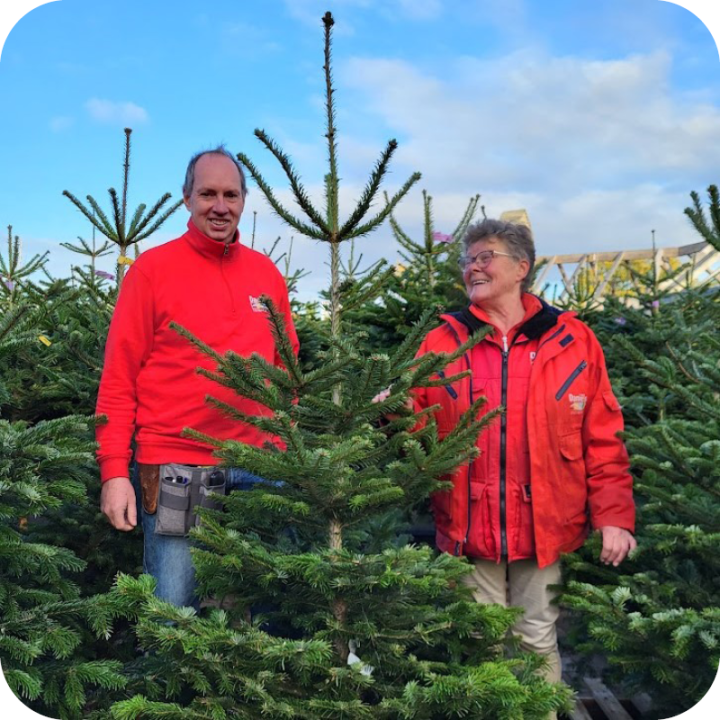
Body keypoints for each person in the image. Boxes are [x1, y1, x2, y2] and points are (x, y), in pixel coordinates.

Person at [381, 218, 636, 699]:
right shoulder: (442, 339)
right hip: (467, 523)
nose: (472, 268)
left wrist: (615, 516)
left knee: (536, 639)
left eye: (484, 257)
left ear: (521, 267)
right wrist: (387, 412)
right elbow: (416, 424)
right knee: (480, 644)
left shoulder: (572, 340)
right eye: (467, 260)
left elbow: (601, 435)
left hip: (545, 524)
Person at [97, 147, 299, 608]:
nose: (220, 206)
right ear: (186, 198)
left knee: (266, 619)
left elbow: (289, 371)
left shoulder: (266, 274)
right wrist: (114, 472)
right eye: (208, 193)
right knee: (173, 618)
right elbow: (118, 377)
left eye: (231, 194)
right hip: (175, 468)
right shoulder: (152, 271)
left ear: (245, 200)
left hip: (262, 468)